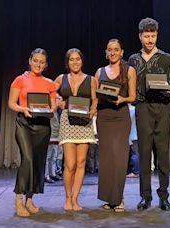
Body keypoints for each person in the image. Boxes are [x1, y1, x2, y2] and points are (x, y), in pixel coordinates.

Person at [128, 17, 170, 211]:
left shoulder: (166, 58)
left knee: (163, 153)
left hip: (163, 107)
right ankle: (145, 196)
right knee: (144, 152)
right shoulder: (134, 59)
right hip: (143, 107)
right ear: (140, 36)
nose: (150, 40)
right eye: (147, 36)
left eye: (153, 35)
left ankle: (164, 195)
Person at [8, 48, 57, 217]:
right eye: (35, 60)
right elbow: (11, 103)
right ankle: (18, 200)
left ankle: (30, 199)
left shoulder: (50, 83)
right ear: (30, 61)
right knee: (27, 159)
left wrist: (54, 107)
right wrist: (23, 108)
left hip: (43, 126)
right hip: (25, 123)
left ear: (46, 65)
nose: (38, 64)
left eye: (42, 62)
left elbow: (52, 106)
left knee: (37, 162)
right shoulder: (20, 80)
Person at [95, 39, 137, 212]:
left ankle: (119, 198)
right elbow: (95, 97)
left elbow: (133, 97)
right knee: (106, 160)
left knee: (119, 159)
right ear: (106, 52)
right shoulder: (99, 72)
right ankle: (108, 198)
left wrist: (122, 99)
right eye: (110, 50)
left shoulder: (129, 71)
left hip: (121, 117)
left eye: (116, 50)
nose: (113, 53)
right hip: (104, 117)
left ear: (122, 52)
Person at [54, 48, 97, 211]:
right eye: (71, 59)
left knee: (81, 163)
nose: (75, 62)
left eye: (78, 59)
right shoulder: (61, 78)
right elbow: (49, 91)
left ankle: (75, 199)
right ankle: (67, 198)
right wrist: (58, 99)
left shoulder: (91, 79)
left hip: (84, 123)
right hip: (67, 122)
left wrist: (93, 111)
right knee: (70, 164)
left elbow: (95, 100)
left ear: (82, 61)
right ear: (67, 62)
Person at [44, 110, 63, 183]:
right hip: (50, 135)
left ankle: (52, 173)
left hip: (57, 135)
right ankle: (46, 175)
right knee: (48, 156)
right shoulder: (51, 111)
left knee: (54, 156)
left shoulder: (58, 112)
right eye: (59, 100)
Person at [126, 104, 140, 178]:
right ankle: (134, 170)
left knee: (134, 154)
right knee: (134, 153)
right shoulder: (135, 109)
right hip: (135, 134)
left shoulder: (129, 110)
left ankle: (136, 171)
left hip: (132, 134)